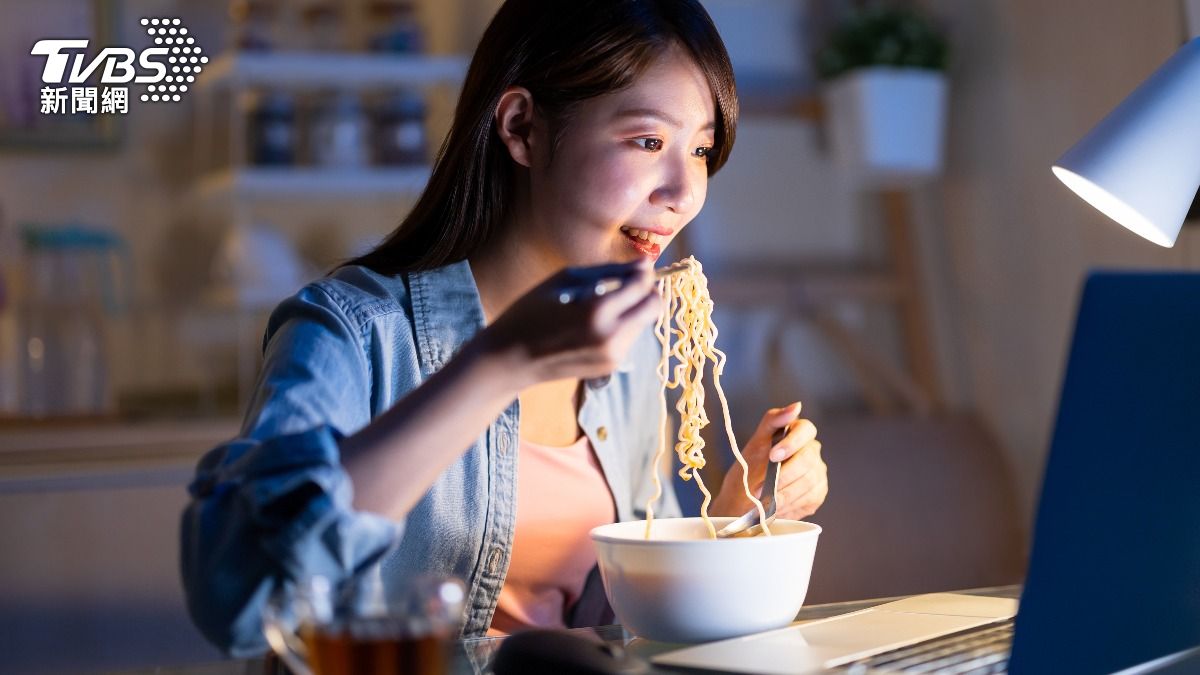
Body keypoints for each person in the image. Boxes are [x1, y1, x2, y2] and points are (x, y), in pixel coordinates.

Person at [181, 0, 829, 655]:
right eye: (647, 141)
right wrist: (497, 365)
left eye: (700, 148)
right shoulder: (350, 329)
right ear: (522, 128)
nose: (685, 190)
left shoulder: (629, 349)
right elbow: (239, 602)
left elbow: (623, 627)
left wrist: (730, 517)